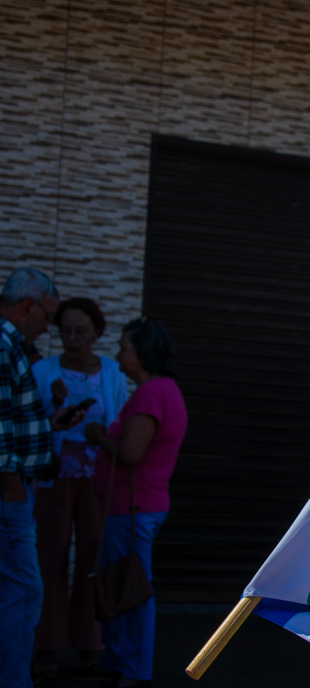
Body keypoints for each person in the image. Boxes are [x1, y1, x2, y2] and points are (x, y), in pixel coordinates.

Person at [84, 318, 187, 688]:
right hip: (136, 506)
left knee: (133, 587)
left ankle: (135, 668)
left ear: (143, 353)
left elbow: (130, 453)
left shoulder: (151, 393)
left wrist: (97, 435)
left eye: (125, 347)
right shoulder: (163, 390)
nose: (118, 354)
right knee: (125, 582)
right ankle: (121, 659)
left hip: (133, 507)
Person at [30, 298, 128, 679]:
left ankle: (91, 644)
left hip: (96, 477)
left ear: (97, 332)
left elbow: (118, 421)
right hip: (53, 476)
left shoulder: (112, 373)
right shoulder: (43, 371)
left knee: (92, 559)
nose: (73, 339)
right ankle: (46, 646)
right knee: (49, 558)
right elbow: (32, 422)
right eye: (66, 331)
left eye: (81, 331)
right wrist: (51, 403)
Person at [1, 267, 85, 688]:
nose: (48, 328)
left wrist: (48, 424)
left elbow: (11, 420)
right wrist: (12, 486)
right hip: (10, 492)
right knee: (23, 592)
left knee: (19, 592)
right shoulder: (4, 343)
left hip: (15, 486)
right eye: (47, 317)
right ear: (27, 305)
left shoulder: (12, 345)